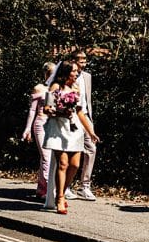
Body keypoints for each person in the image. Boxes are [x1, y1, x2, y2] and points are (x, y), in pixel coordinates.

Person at [42, 62, 99, 214]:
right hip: (58, 130)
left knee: (74, 165)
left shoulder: (76, 89)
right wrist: (60, 111)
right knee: (63, 163)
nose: (76, 73)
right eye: (74, 71)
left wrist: (90, 131)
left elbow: (80, 112)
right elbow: (46, 109)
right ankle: (60, 197)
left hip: (74, 130)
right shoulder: (55, 87)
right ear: (66, 72)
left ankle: (64, 188)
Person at [22, 62, 55, 198]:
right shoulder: (39, 88)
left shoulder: (56, 88)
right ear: (46, 73)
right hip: (40, 123)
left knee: (48, 157)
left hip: (53, 124)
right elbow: (32, 110)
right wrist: (27, 129)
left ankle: (41, 189)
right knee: (47, 156)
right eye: (51, 73)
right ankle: (50, 189)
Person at [70, 50, 98, 201]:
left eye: (84, 60)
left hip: (84, 116)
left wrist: (89, 120)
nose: (83, 63)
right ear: (72, 60)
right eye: (79, 60)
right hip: (70, 117)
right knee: (69, 151)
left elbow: (87, 100)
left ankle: (84, 186)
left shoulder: (87, 77)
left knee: (91, 148)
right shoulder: (65, 74)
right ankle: (66, 185)